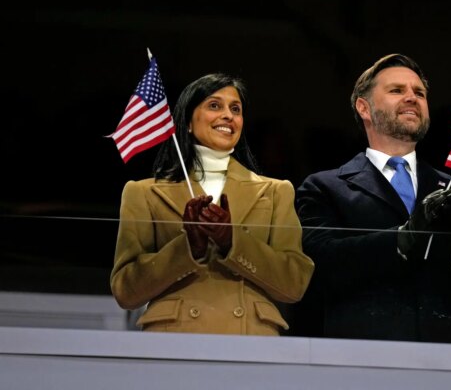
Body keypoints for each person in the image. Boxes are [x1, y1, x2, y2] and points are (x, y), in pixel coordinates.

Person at [294, 54, 451, 343]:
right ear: (363, 108)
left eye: (419, 93)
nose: (412, 98)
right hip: (364, 358)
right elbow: (316, 269)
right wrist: (401, 238)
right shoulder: (325, 188)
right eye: (397, 90)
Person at [110, 73, 314, 335]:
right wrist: (188, 249)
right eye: (215, 105)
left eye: (235, 109)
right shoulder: (142, 192)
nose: (228, 115)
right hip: (173, 339)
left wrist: (233, 242)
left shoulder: (276, 191)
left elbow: (294, 284)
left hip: (249, 340)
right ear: (188, 122)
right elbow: (126, 292)